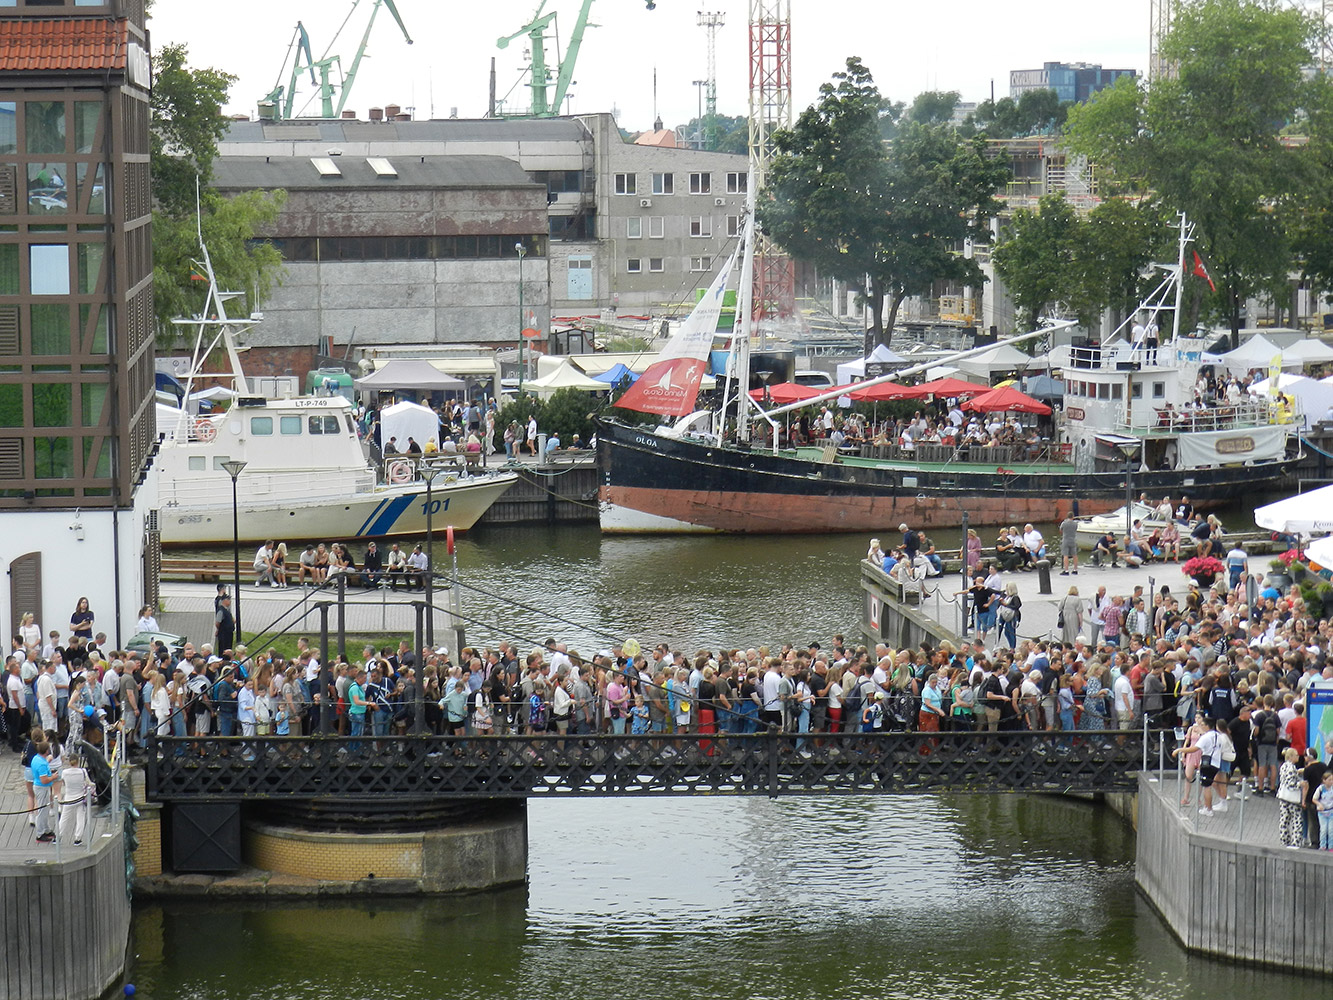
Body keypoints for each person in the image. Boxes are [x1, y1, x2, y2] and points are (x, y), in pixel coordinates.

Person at [1277, 747, 1304, 847]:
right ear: (1291, 757)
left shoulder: (1283, 766)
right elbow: (1291, 783)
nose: (1298, 757)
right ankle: (1296, 841)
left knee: (1284, 819)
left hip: (1283, 796)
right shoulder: (1291, 767)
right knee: (1297, 820)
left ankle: (1284, 839)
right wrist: (1300, 784)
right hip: (1292, 798)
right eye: (1296, 755)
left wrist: (1297, 772)